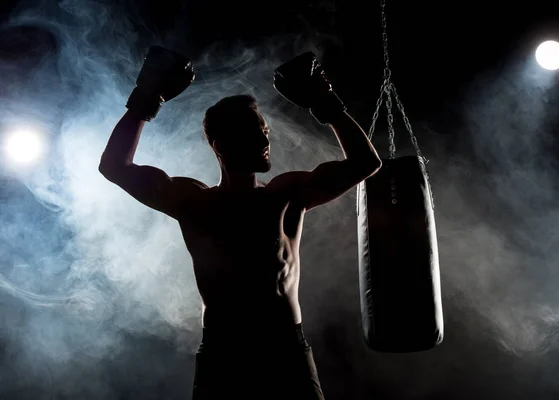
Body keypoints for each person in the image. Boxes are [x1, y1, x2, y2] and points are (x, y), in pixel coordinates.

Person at [98, 47, 381, 399]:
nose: (265, 141)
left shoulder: (286, 195)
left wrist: (324, 101)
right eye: (253, 133)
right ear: (221, 146)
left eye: (264, 131)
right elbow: (113, 167)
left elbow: (365, 163)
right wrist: (146, 99)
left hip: (285, 352)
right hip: (223, 355)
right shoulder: (194, 203)